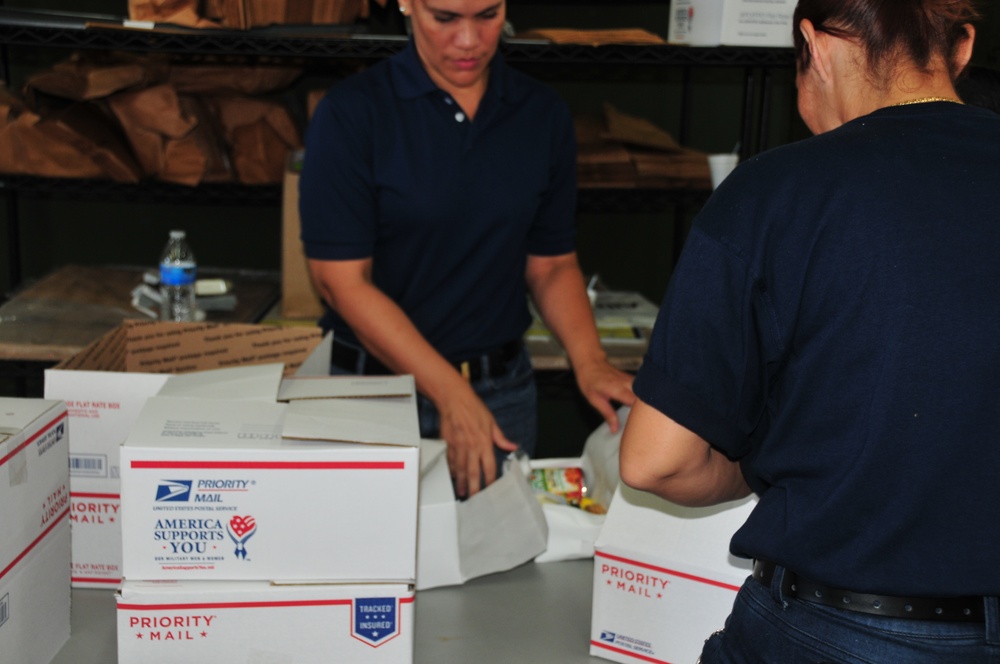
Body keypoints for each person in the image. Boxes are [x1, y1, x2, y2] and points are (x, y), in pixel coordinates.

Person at [619, 0, 1000, 661]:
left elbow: (656, 459)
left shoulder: (775, 193)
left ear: (814, 46)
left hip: (835, 629)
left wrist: (743, 466)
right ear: (961, 48)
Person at [299, 0, 635, 498]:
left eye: (488, 14)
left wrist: (588, 361)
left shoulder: (539, 114)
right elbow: (341, 282)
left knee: (504, 571)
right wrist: (450, 393)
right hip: (373, 393)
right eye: (445, 18)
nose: (469, 40)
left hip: (501, 392)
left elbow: (552, 264)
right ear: (407, 5)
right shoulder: (353, 114)